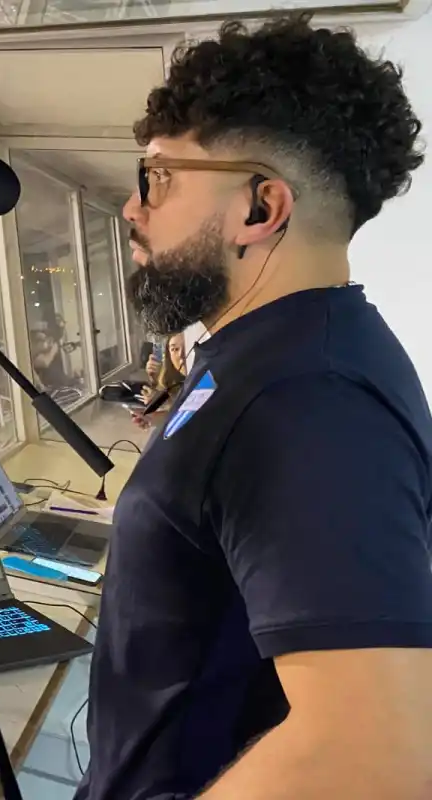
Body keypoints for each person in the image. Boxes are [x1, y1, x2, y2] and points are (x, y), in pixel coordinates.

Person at [80, 17, 432, 800]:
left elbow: (376, 755)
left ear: (260, 206)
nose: (134, 210)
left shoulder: (308, 399)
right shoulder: (265, 353)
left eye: (158, 179)